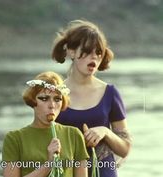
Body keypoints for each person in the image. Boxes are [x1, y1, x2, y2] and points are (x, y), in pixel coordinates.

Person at [51, 20, 132, 177]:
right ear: (71, 52)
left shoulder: (110, 93)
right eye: (88, 51)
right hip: (66, 171)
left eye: (98, 53)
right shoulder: (54, 94)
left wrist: (105, 132)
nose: (94, 57)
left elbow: (125, 148)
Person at [2, 71, 89, 177]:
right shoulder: (14, 139)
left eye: (57, 99)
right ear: (33, 101)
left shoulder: (74, 135)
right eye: (44, 98)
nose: (52, 105)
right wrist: (49, 165)